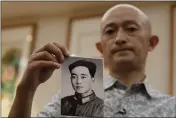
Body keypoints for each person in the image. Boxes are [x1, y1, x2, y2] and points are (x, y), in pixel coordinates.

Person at [8, 4, 175, 117]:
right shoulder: (74, 97)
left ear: (151, 43)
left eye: (131, 29)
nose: (120, 38)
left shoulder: (170, 108)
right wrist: (26, 90)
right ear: (100, 48)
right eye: (110, 31)